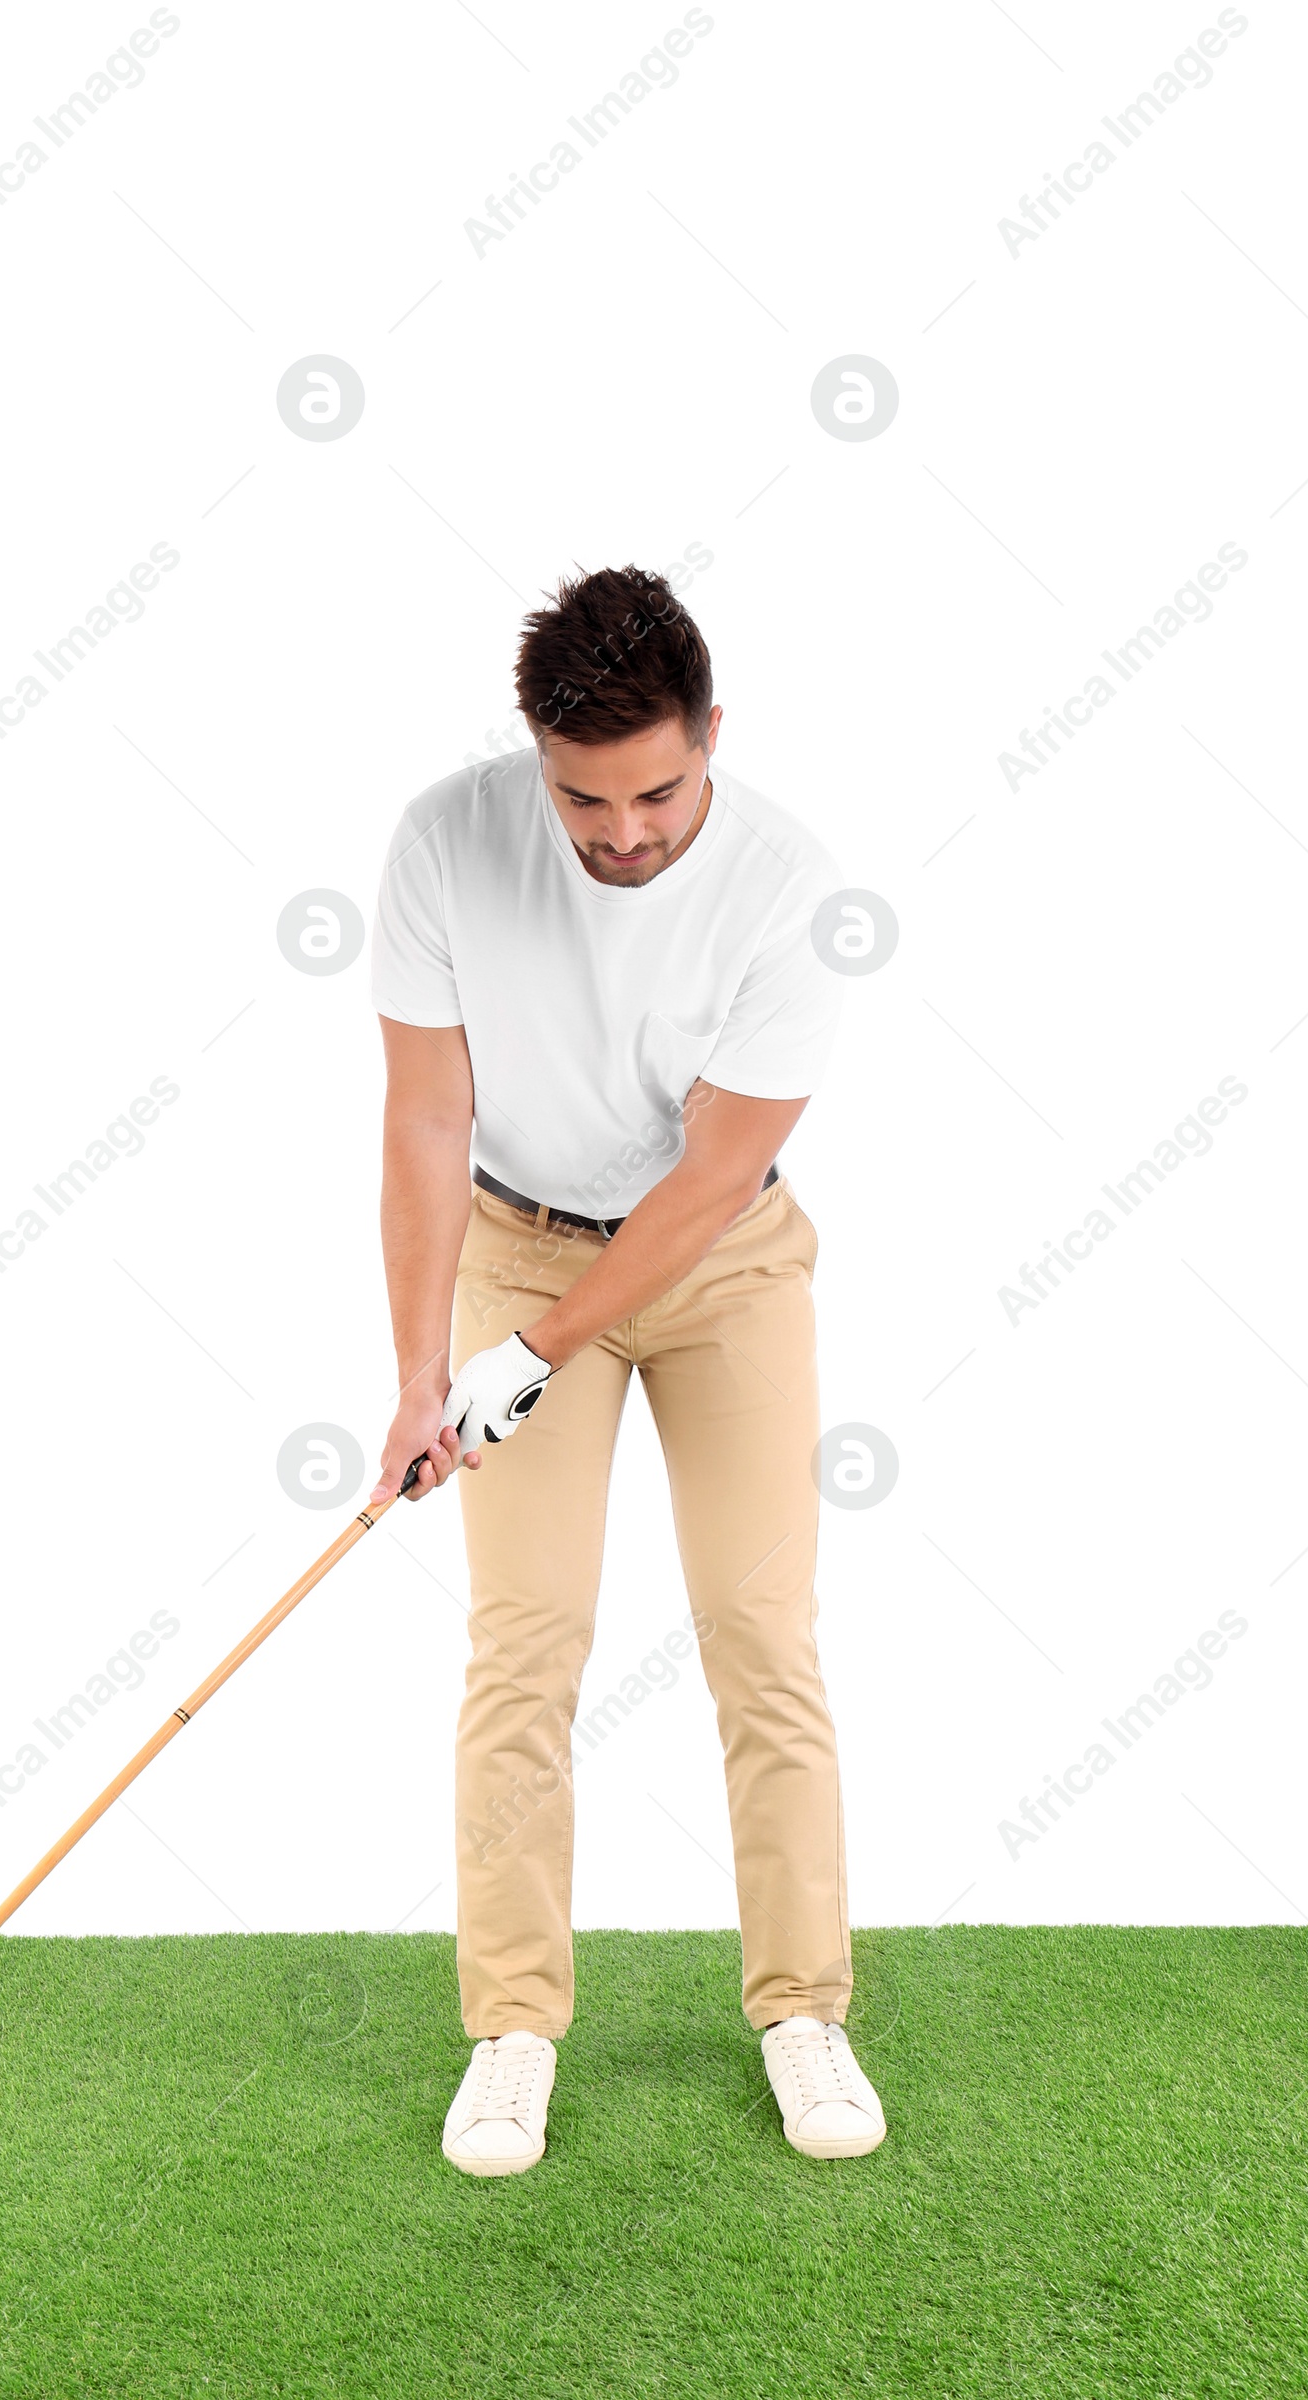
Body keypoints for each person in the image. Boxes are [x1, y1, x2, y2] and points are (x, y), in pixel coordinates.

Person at [367, 563, 884, 2175]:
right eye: (586, 797)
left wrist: (532, 1355)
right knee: (525, 1645)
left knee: (759, 1632)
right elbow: (427, 1123)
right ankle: (512, 2031)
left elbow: (710, 1183)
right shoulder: (446, 846)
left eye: (659, 789)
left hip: (722, 1266)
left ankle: (803, 2010)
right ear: (538, 757)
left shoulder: (789, 890)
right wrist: (416, 1377)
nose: (625, 833)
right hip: (518, 1244)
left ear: (711, 736)